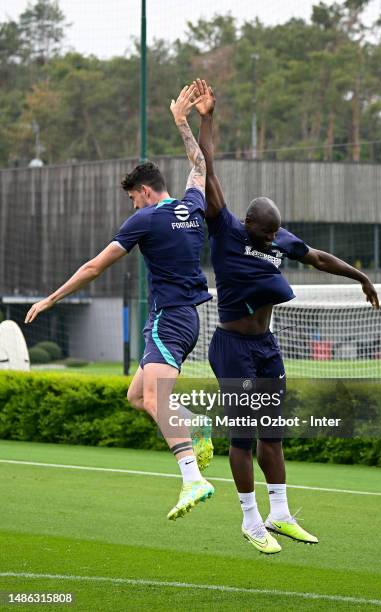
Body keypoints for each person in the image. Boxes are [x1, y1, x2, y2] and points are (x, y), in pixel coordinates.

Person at [193, 78, 380, 554]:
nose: (273, 239)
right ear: (250, 226)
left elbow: (315, 256)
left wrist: (360, 276)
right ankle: (251, 521)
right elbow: (207, 167)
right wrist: (207, 118)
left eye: (277, 233)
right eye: (267, 232)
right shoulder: (227, 227)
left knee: (273, 434)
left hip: (266, 345)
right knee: (244, 438)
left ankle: (280, 515)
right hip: (232, 345)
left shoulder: (275, 237)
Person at [25, 84, 215, 521]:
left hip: (169, 320)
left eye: (132, 197)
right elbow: (200, 164)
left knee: (154, 399)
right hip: (184, 320)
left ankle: (192, 479)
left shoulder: (144, 219)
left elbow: (95, 267)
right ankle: (198, 424)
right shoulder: (191, 205)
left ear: (144, 192)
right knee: (136, 396)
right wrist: (183, 122)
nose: (132, 204)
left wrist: (53, 297)